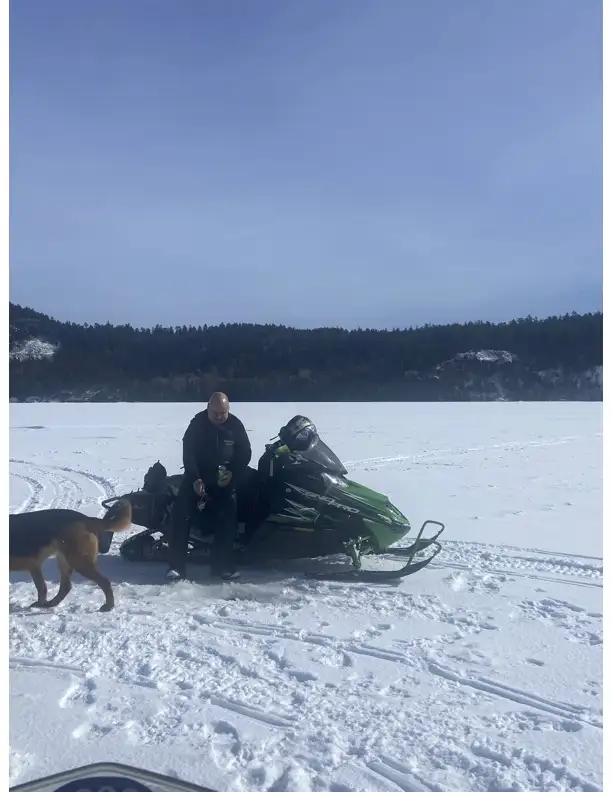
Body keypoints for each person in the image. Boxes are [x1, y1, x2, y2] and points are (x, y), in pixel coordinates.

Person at [166, 392, 252, 582]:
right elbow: (188, 453)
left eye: (223, 413)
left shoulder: (235, 425)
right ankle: (176, 566)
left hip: (223, 478)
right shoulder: (197, 424)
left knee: (229, 513)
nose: (219, 417)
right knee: (181, 513)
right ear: (208, 408)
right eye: (215, 413)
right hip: (198, 477)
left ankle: (222, 566)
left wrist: (232, 472)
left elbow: (245, 453)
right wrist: (196, 479)